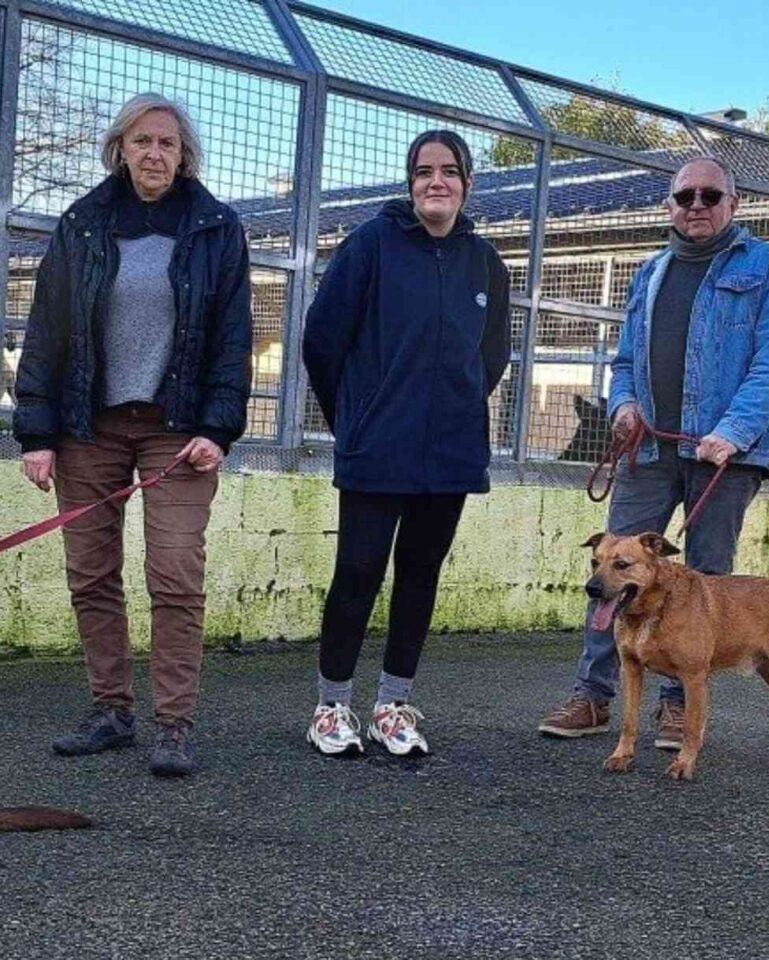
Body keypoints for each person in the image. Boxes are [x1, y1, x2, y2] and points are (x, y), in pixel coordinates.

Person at [14, 93, 253, 777]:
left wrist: (219, 426)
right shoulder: (83, 223)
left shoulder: (214, 228)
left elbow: (234, 337)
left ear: (184, 156)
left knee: (175, 574)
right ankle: (110, 711)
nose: (155, 154)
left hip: (177, 431)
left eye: (168, 144)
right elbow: (47, 330)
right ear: (121, 147)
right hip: (88, 425)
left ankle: (173, 725)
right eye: (143, 141)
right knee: (91, 574)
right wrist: (37, 431)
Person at [539, 156, 769, 748]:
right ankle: (593, 696)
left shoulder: (768, 266)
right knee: (614, 570)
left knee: (703, 579)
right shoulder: (651, 272)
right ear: (670, 206)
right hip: (648, 449)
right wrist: (623, 407)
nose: (698, 206)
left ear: (734, 204)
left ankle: (678, 704)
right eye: (686, 197)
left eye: (711, 196)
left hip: (725, 455)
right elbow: (626, 360)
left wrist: (733, 431)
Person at [303, 129, 511, 758]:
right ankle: (330, 706)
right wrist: (357, 420)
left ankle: (393, 706)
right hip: (377, 448)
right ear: (410, 182)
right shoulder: (371, 245)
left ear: (467, 184)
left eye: (449, 171)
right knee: (358, 573)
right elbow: (322, 341)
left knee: (420, 574)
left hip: (448, 453)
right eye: (424, 171)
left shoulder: (487, 264)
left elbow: (492, 357)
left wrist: (456, 406)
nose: (436, 181)